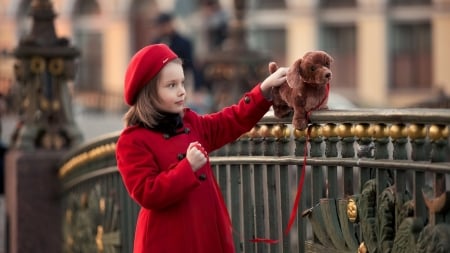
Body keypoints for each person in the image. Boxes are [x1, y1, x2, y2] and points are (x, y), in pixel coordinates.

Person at [115, 44, 287, 253]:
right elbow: (147, 192)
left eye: (182, 82)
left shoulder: (190, 123)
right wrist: (187, 168)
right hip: (165, 241)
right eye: (171, 85)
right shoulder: (132, 141)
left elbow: (230, 121)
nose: (182, 91)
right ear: (148, 93)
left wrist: (263, 90)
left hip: (205, 235)